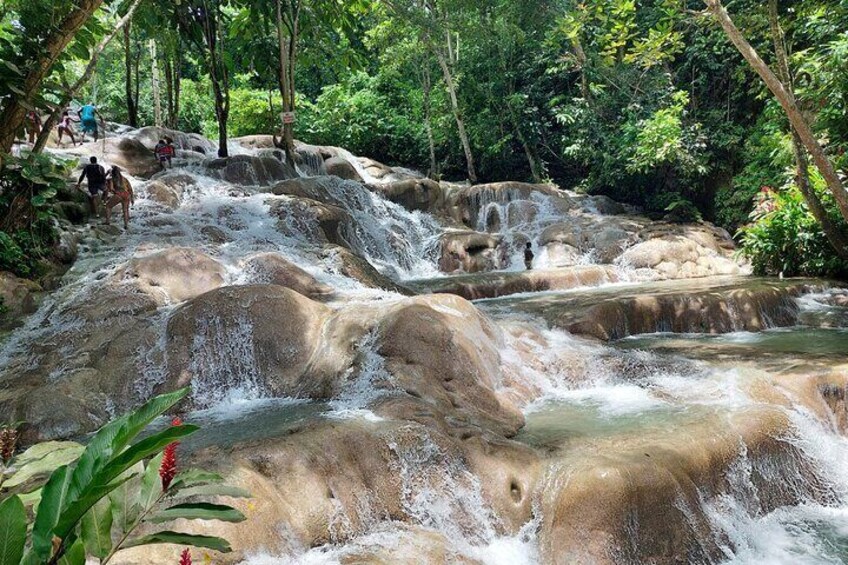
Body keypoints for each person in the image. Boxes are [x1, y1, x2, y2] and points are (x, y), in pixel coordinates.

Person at [104, 166, 135, 230]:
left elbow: (111, 189)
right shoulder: (124, 179)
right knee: (125, 210)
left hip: (119, 194)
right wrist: (132, 198)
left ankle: (107, 221)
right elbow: (130, 189)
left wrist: (115, 193)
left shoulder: (112, 179)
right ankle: (126, 225)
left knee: (108, 206)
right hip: (127, 195)